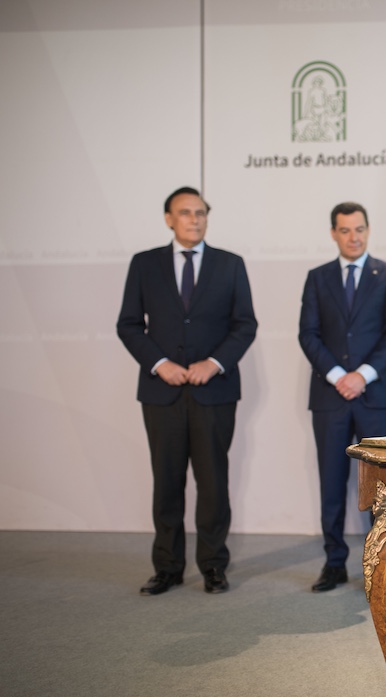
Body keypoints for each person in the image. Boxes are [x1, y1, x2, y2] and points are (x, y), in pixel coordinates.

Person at [117, 187, 258, 596]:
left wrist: (213, 363)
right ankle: (167, 568)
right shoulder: (144, 264)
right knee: (166, 482)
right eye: (185, 213)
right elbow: (128, 324)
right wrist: (160, 364)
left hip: (214, 392)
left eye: (200, 213)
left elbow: (245, 324)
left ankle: (213, 565)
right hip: (161, 393)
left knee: (213, 483)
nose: (194, 219)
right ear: (168, 219)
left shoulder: (230, 264)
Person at [298, 202, 386, 592]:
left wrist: (362, 375)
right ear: (334, 233)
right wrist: (338, 377)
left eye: (359, 229)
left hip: (376, 396)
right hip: (330, 397)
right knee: (331, 482)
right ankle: (334, 563)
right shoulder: (317, 278)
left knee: (382, 488)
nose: (353, 236)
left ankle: (380, 566)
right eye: (345, 230)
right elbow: (308, 334)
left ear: (368, 229)